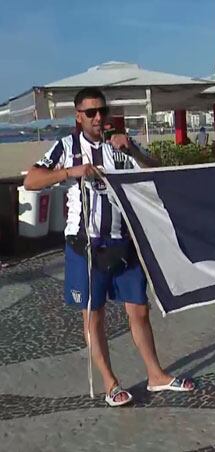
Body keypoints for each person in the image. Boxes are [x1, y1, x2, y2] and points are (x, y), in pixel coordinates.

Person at [23, 88, 195, 406]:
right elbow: (31, 181)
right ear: (78, 116)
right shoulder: (67, 147)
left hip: (124, 242)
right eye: (91, 113)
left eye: (102, 111)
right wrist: (69, 173)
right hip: (86, 244)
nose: (98, 117)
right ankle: (110, 383)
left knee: (139, 310)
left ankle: (156, 376)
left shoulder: (121, 145)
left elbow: (158, 173)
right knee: (94, 316)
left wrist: (135, 152)